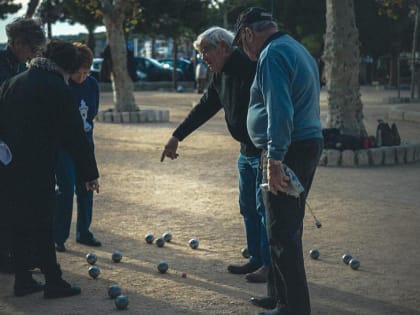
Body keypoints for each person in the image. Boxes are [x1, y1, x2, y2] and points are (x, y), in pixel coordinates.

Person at [161, 26, 271, 283]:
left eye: (205, 51)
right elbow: (206, 105)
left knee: (264, 209)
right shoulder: (220, 74)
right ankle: (255, 257)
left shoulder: (250, 66)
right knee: (248, 208)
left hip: (264, 150)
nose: (203, 59)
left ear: (223, 46)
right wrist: (177, 136)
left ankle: (268, 264)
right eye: (200, 54)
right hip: (245, 152)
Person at [233, 7, 323, 315]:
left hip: (289, 148)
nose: (245, 51)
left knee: (283, 231)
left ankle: (292, 307)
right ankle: (277, 295)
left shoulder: (271, 55)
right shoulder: (295, 47)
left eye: (242, 43)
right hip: (301, 143)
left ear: (248, 34)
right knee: (279, 228)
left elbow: (280, 110)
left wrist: (275, 158)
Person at [0, 39, 100, 298]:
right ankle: (53, 281)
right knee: (44, 223)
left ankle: (23, 280)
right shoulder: (56, 86)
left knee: (18, 222)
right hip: (39, 165)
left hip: (9, 166)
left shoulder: (13, 82)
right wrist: (89, 173)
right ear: (66, 65)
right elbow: (75, 136)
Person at [0, 17, 46, 274]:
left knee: (12, 201)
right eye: (31, 49)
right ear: (17, 43)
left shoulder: (18, 65)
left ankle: (14, 253)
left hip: (12, 141)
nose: (33, 54)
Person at [53, 42, 101, 252]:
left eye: (86, 72)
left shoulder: (92, 85)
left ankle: (84, 232)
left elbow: (91, 115)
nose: (82, 77)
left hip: (85, 144)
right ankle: (58, 236)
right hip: (64, 147)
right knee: (66, 188)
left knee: (87, 186)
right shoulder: (62, 86)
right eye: (78, 73)